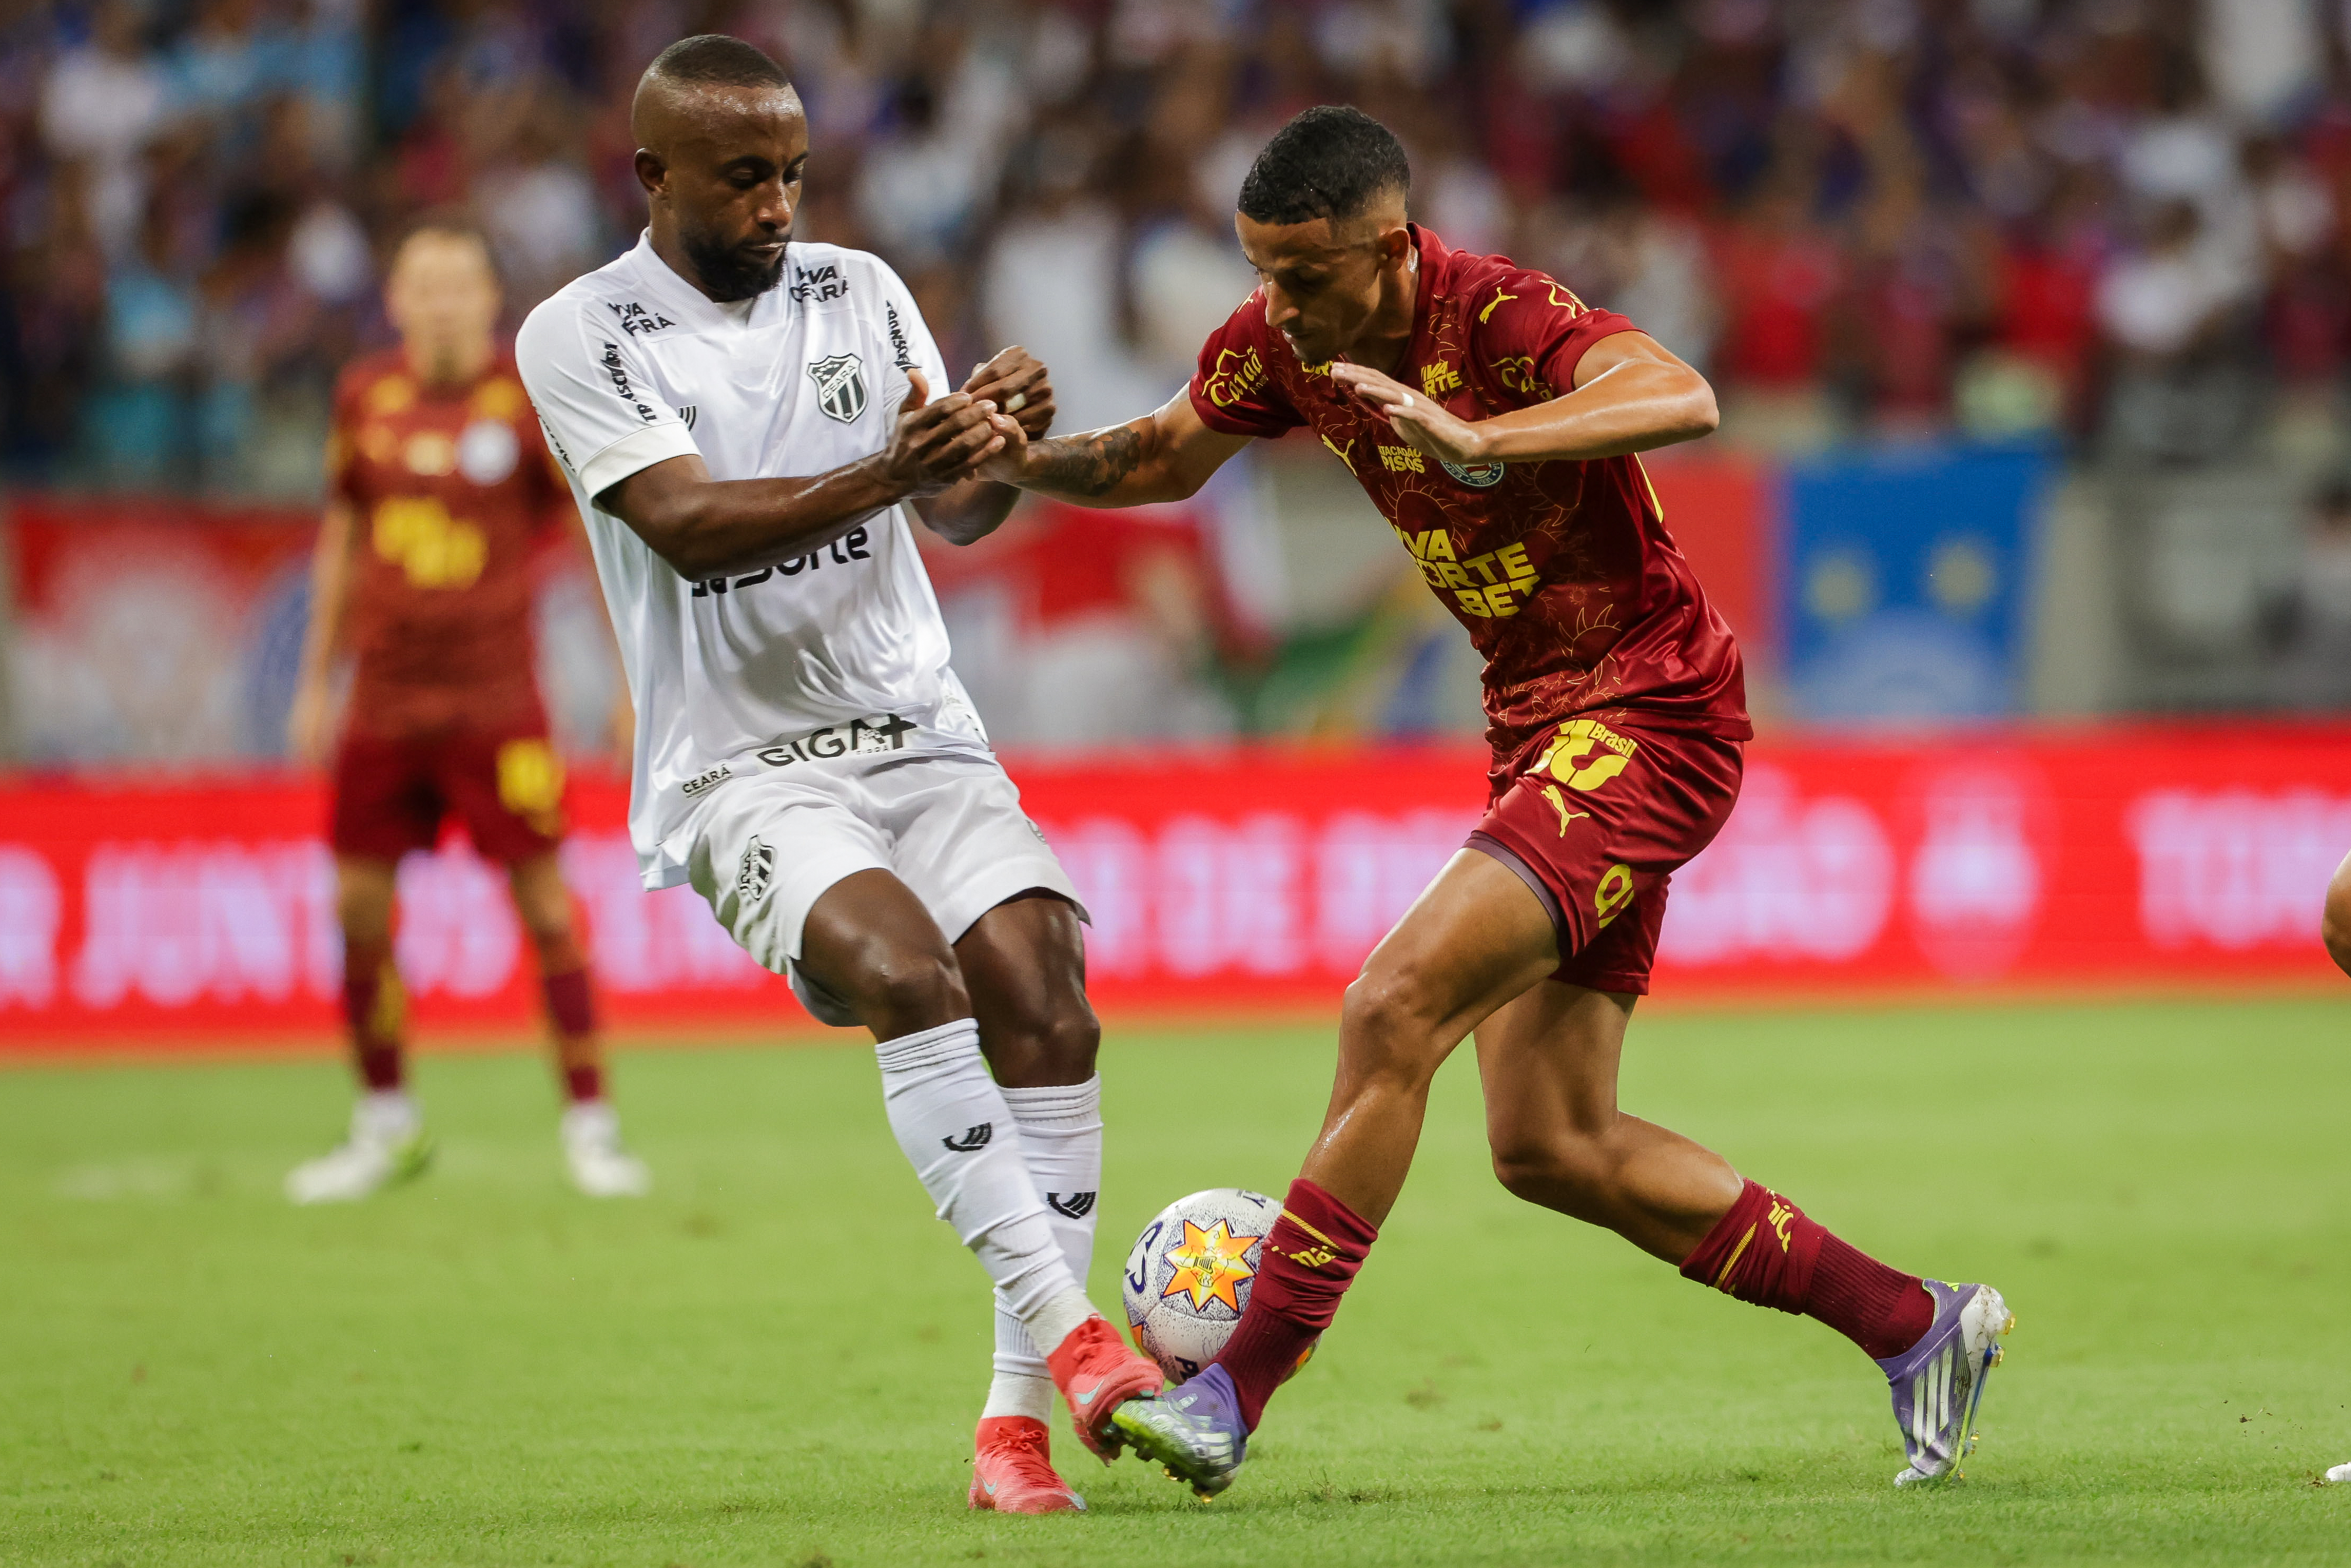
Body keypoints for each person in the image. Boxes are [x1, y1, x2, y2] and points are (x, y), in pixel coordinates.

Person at [979, 106, 2014, 1496]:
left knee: (1389, 1002)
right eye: (1262, 273)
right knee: (1547, 1144)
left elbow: (1681, 393)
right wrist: (1016, 464)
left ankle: (1232, 1393)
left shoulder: (1503, 320)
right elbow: (1163, 453)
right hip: (1537, 733)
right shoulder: (1278, 342)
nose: (1278, 308)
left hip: (1649, 711)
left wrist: (1488, 438)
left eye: (1306, 275)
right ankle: (1915, 1326)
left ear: (1392, 248)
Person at [512, 35, 1165, 1515]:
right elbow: (682, 523)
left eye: (793, 175)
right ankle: (1074, 1338)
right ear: (651, 175)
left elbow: (955, 514)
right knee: (905, 972)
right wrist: (890, 468)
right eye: (742, 178)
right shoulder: (580, 330)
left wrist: (995, 441)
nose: (774, 206)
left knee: (1046, 993)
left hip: (917, 729)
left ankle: (1014, 1427)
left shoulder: (860, 292)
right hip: (737, 768)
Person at [285, 220, 648, 1205]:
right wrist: (315, 683)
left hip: (497, 703)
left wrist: (627, 684)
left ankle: (591, 1123)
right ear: (395, 300)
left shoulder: (523, 404)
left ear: (490, 300)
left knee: (545, 909)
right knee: (357, 909)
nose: (442, 301)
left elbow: (591, 543)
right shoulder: (364, 396)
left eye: (459, 284)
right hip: (386, 703)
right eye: (423, 283)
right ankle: (385, 1123)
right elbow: (343, 540)